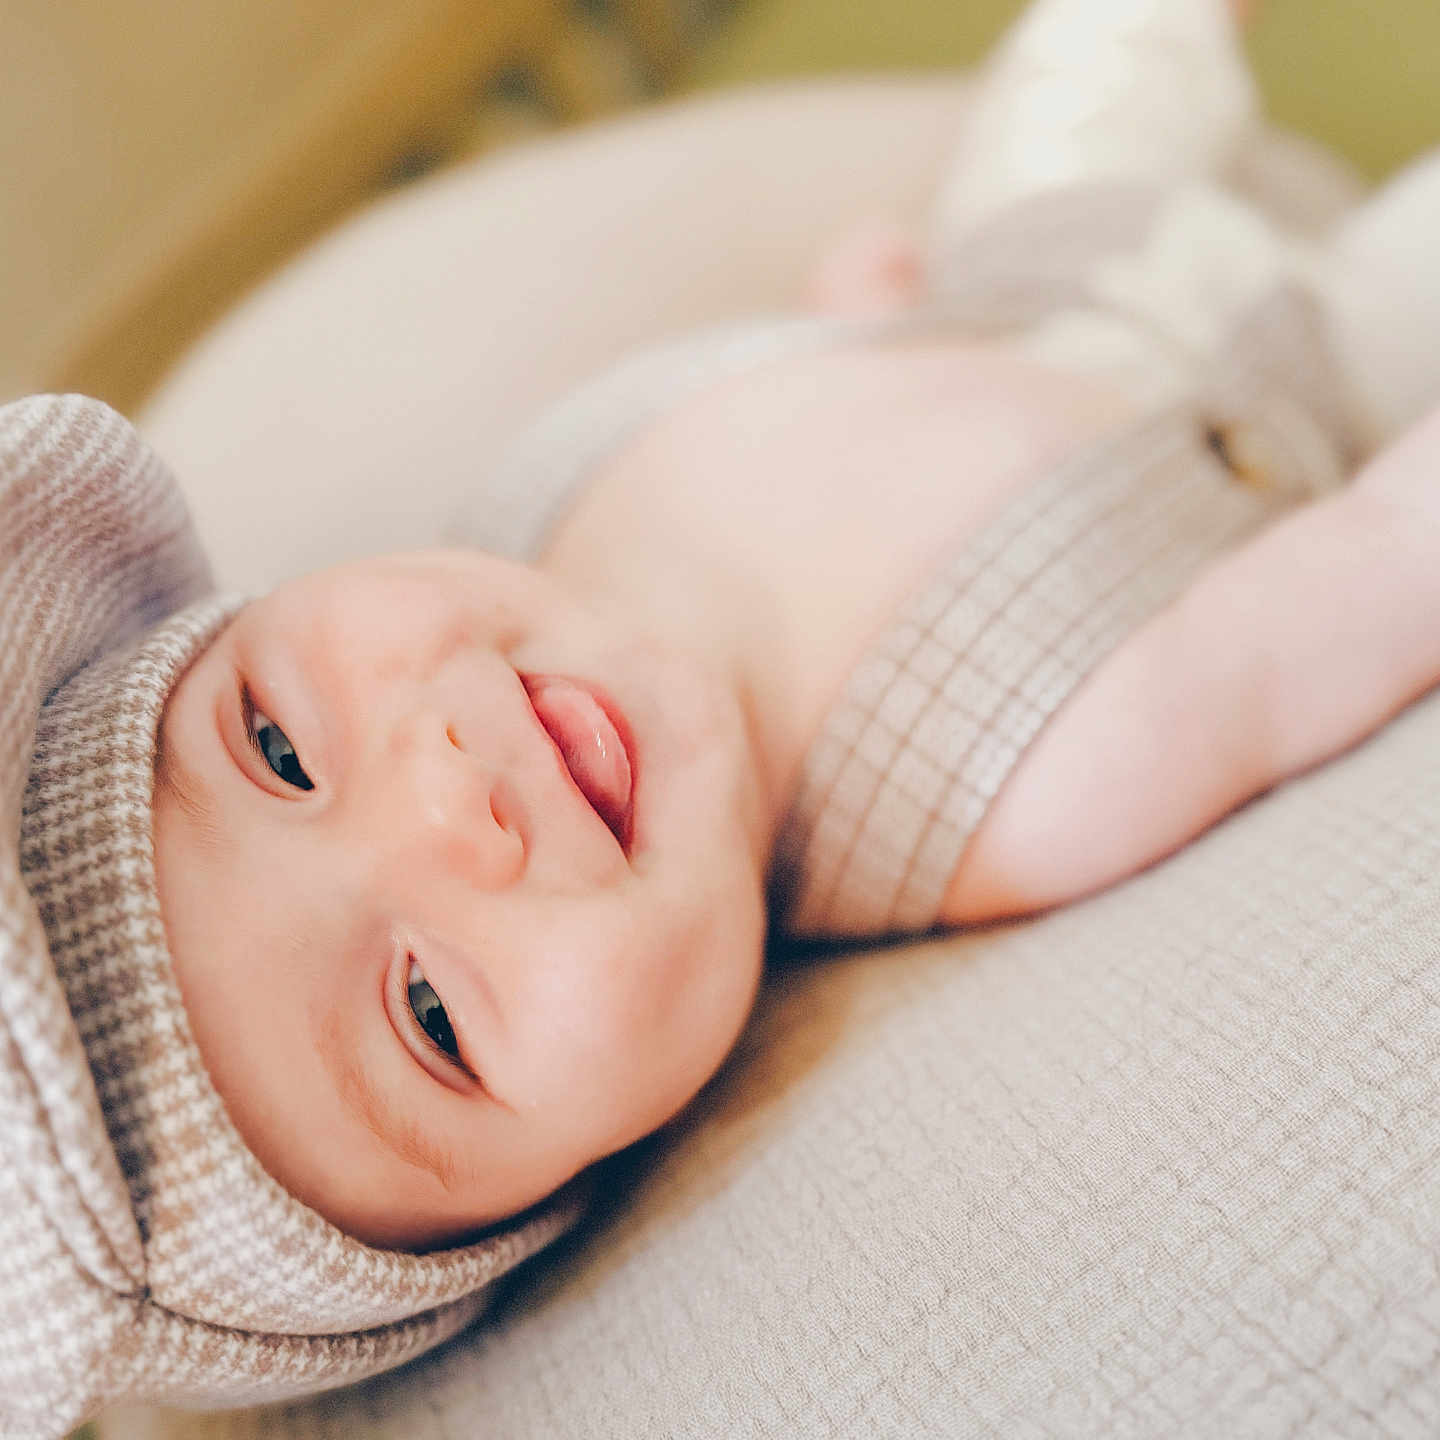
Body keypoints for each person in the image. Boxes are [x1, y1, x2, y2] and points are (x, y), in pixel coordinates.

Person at [7, 0, 1440, 1432]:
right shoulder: (1008, 793)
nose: (456, 805)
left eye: (276, 749)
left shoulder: (542, 509)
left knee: (1106, 49)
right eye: (431, 1014)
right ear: (563, 1194)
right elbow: (1364, 573)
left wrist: (864, 322)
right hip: (1311, 376)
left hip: (1026, 254)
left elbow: (784, 382)